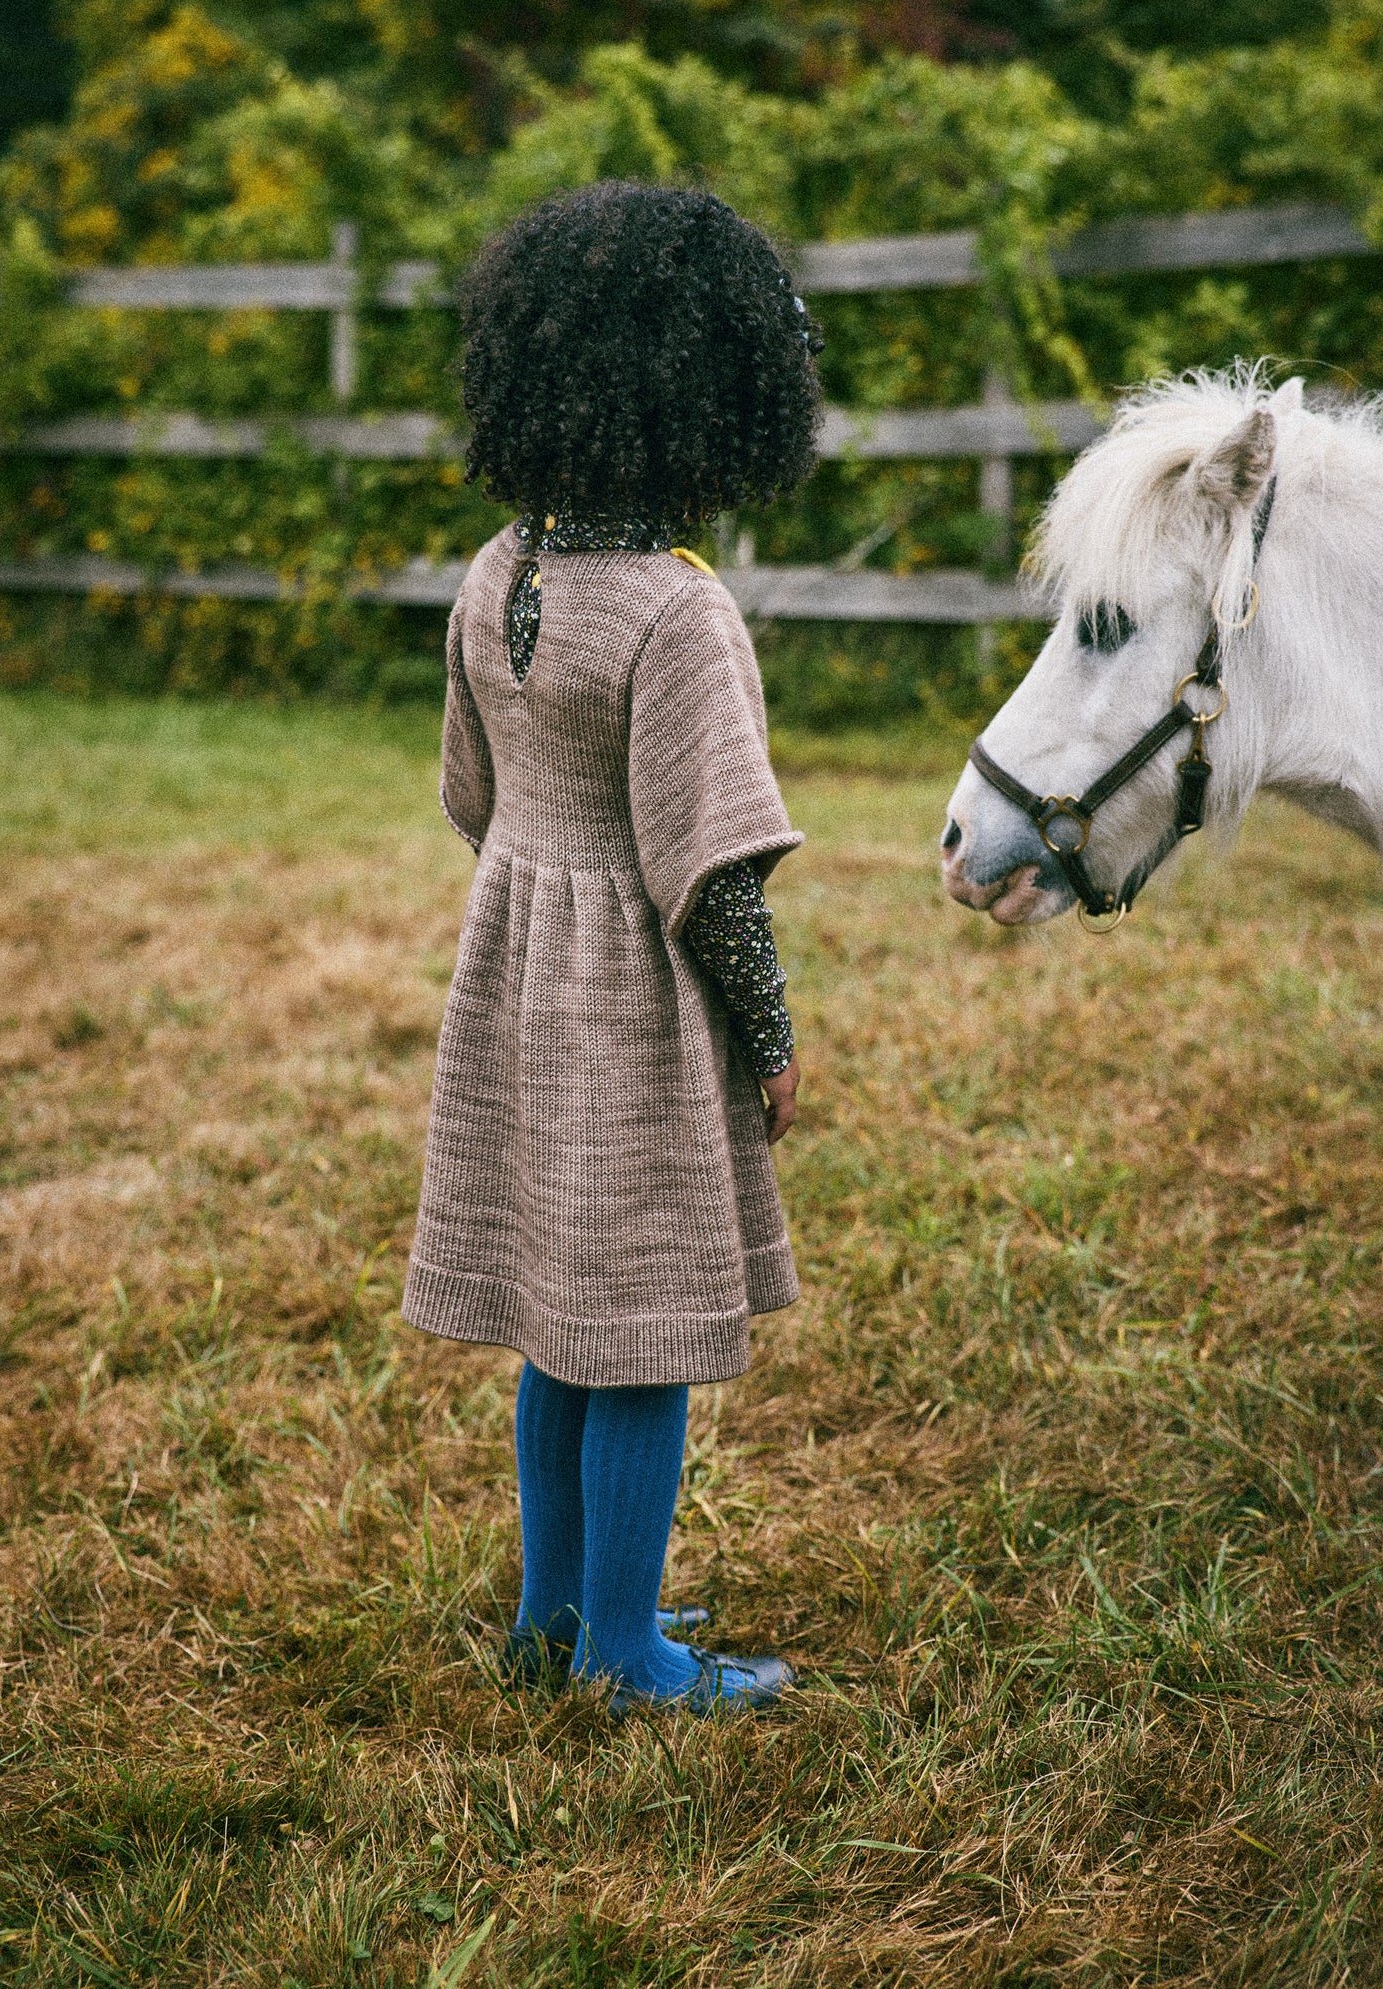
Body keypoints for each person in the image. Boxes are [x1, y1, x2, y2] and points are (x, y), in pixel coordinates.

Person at [401, 179, 824, 1715]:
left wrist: (543, 902)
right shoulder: (672, 612)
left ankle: (558, 1609)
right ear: (714, 402)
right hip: (631, 1004)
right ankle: (629, 1658)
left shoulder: (495, 570)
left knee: (558, 1318)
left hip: (514, 976)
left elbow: (472, 797)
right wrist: (768, 1036)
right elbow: (711, 876)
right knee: (636, 1323)